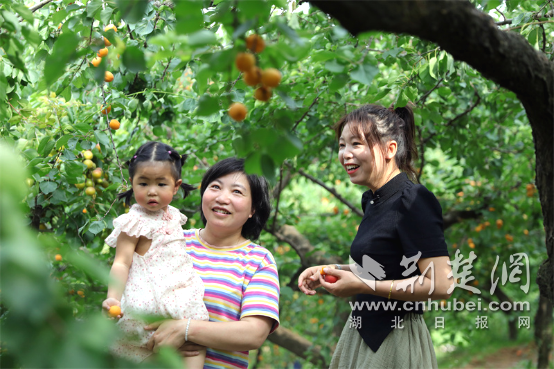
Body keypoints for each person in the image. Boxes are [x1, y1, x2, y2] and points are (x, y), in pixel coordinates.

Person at [298, 104, 453, 369]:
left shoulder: (413, 200)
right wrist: (330, 270)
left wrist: (361, 286)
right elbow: (384, 267)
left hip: (396, 339)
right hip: (361, 334)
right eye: (341, 145)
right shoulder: (372, 200)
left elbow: (441, 284)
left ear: (390, 149)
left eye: (356, 144)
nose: (346, 154)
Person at [144, 157, 280, 369]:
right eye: (215, 187)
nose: (222, 198)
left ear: (253, 209)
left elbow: (254, 333)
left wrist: (185, 330)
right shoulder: (171, 240)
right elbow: (135, 299)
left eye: (237, 192)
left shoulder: (258, 260)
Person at [102, 141, 209, 368]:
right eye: (143, 183)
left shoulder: (174, 216)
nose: (152, 191)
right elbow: (121, 262)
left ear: (176, 186)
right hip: (146, 305)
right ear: (132, 183)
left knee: (193, 350)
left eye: (161, 183)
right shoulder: (133, 222)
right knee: (142, 355)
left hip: (180, 302)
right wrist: (113, 297)